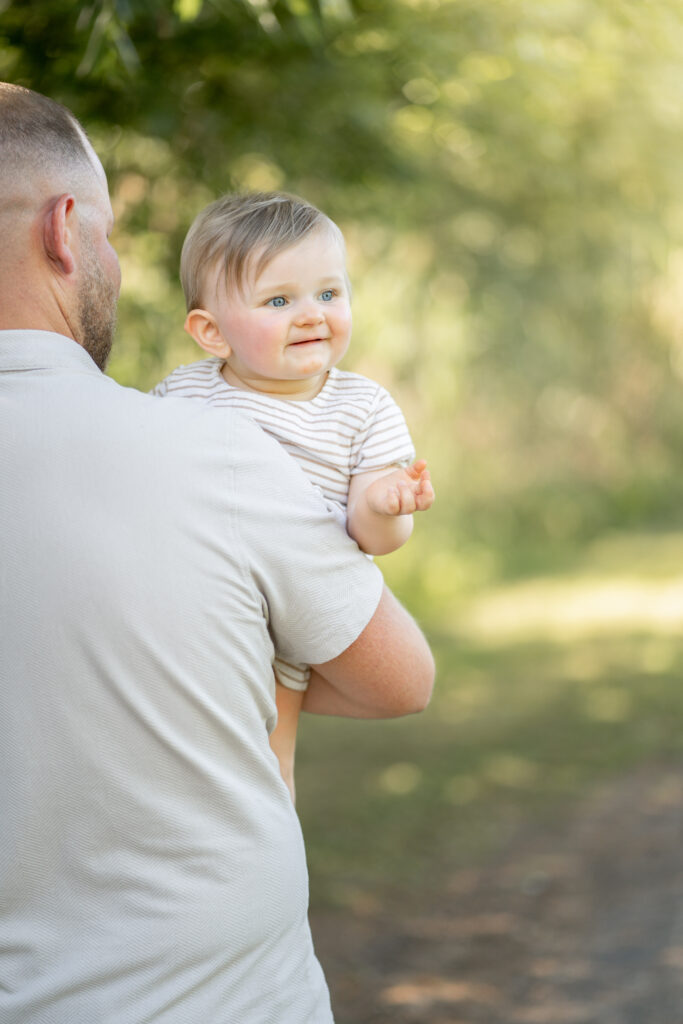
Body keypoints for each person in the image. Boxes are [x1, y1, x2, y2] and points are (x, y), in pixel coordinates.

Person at [0, 83, 435, 1024]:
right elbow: (400, 681)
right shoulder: (205, 446)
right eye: (112, 237)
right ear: (65, 231)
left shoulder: (282, 413)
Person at [153, 192, 435, 799]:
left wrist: (386, 506)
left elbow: (374, 542)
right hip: (206, 600)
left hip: (301, 611)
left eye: (329, 294)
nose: (312, 314)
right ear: (211, 332)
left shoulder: (361, 407)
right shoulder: (185, 393)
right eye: (279, 301)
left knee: (271, 767)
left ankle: (269, 837)